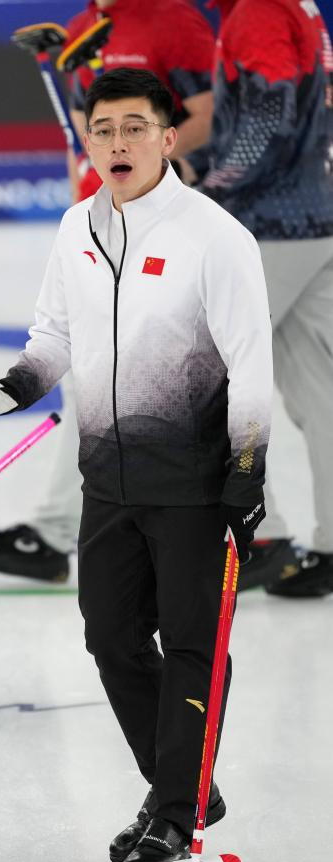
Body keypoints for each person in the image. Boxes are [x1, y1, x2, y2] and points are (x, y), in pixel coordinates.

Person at [0, 68, 272, 862]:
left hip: (196, 485)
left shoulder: (215, 238)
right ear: (87, 142)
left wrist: (246, 475)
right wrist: (12, 387)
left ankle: (175, 810)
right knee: (111, 638)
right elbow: (54, 334)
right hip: (108, 479)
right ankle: (181, 787)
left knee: (193, 644)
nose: (118, 143)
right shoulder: (77, 228)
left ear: (168, 137)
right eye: (104, 130)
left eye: (135, 128)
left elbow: (250, 364)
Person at [0, 0, 218, 585]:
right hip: (107, 225)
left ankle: (65, 530)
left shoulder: (174, 19)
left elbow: (209, 117)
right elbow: (84, 134)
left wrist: (150, 172)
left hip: (167, 217)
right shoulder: (82, 29)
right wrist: (87, 201)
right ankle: (63, 529)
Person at [191, 0, 333, 597]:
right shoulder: (293, 5)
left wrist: (210, 182)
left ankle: (261, 536)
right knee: (320, 391)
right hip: (314, 219)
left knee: (204, 375)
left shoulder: (256, 11)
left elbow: (271, 112)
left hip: (269, 229)